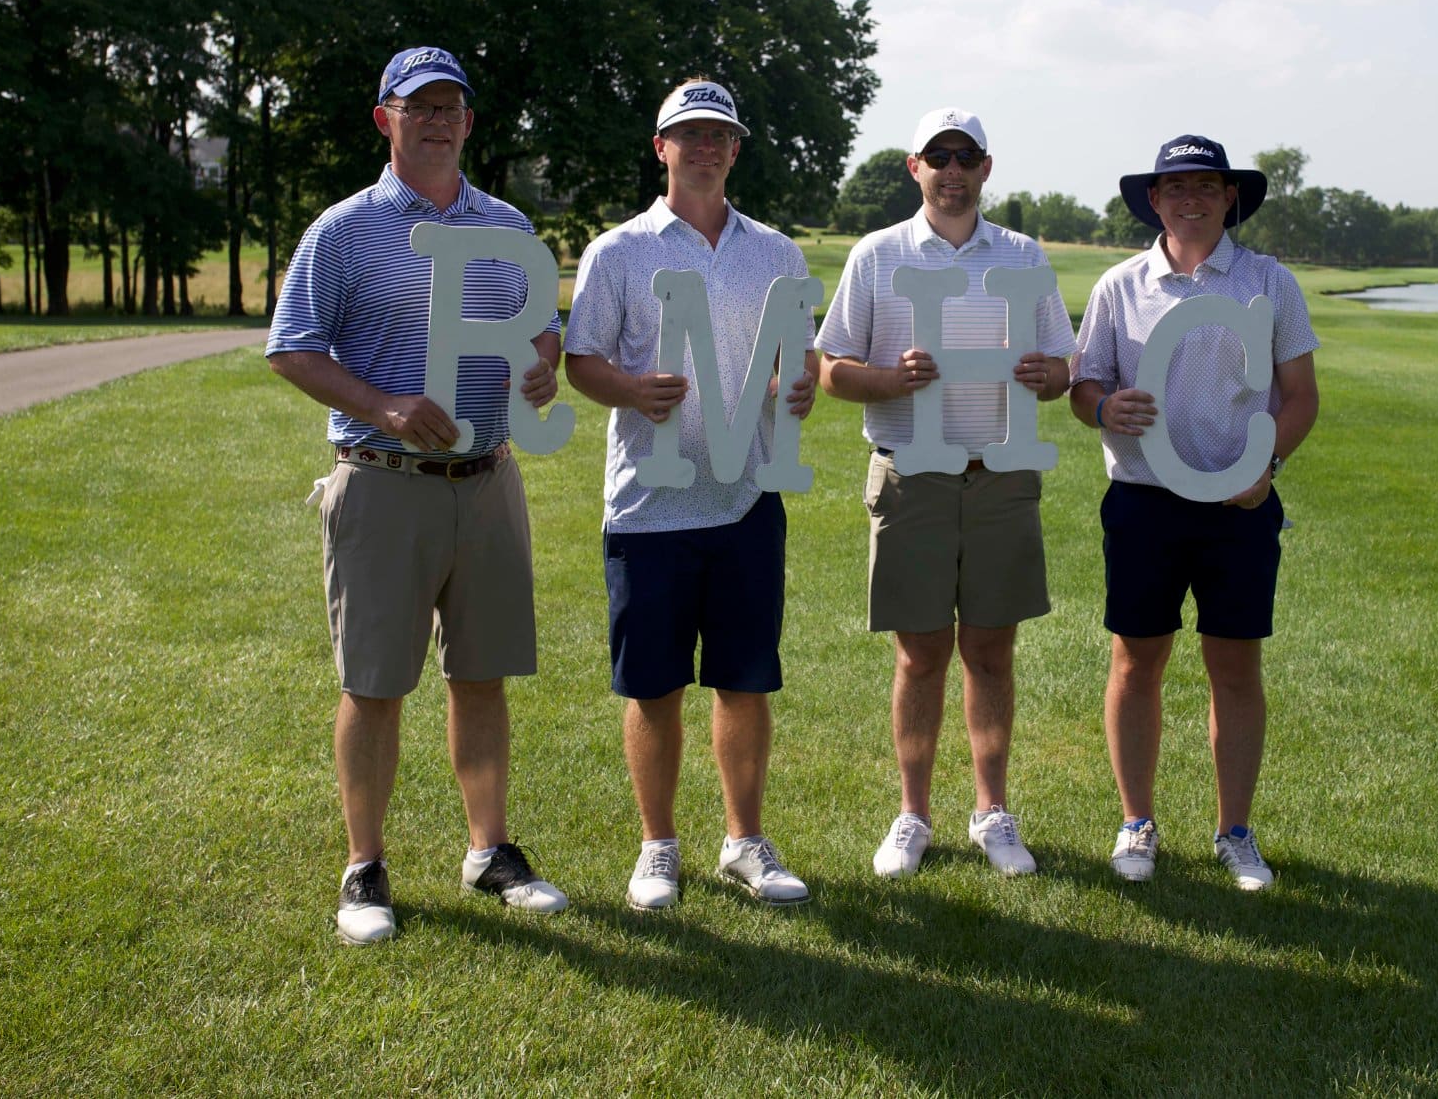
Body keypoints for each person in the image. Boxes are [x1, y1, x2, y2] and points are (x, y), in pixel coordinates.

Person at [268, 46, 569, 945]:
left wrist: (542, 369)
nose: (437, 119)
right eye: (418, 105)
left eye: (451, 106)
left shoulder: (510, 226)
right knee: (375, 682)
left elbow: (541, 333)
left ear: (470, 122)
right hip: (384, 480)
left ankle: (490, 850)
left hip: (487, 478)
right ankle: (365, 866)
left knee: (481, 675)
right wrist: (383, 405)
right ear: (384, 118)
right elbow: (292, 346)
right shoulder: (344, 229)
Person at [564, 77, 819, 911]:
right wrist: (631, 389)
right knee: (654, 685)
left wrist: (799, 384)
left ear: (735, 149)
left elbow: (796, 358)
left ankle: (744, 839)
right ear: (660, 146)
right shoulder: (620, 250)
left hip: (747, 500)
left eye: (720, 135)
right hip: (650, 506)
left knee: (746, 679)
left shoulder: (777, 251)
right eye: (689, 133)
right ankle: (658, 846)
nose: (705, 147)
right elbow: (582, 359)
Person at [818, 108, 1075, 879]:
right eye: (940, 156)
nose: (953, 170)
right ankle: (913, 813)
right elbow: (832, 367)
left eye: (967, 157)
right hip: (910, 476)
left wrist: (1048, 377)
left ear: (986, 169)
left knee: (991, 652)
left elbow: (1064, 368)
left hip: (1000, 477)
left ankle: (992, 809)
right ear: (915, 166)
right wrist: (888, 380)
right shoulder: (877, 255)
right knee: (920, 653)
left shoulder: (1025, 258)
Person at [1069, 135, 1321, 891]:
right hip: (1144, 500)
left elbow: (1302, 395)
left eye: (1205, 186)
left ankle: (1235, 832)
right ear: (1154, 199)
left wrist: (1267, 468)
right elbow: (1085, 388)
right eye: (1174, 187)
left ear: (1228, 197)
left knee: (1234, 666)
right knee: (1135, 660)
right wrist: (1107, 404)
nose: (1189, 199)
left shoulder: (1269, 282)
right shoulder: (1121, 284)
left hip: (1240, 504)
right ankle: (1136, 821)